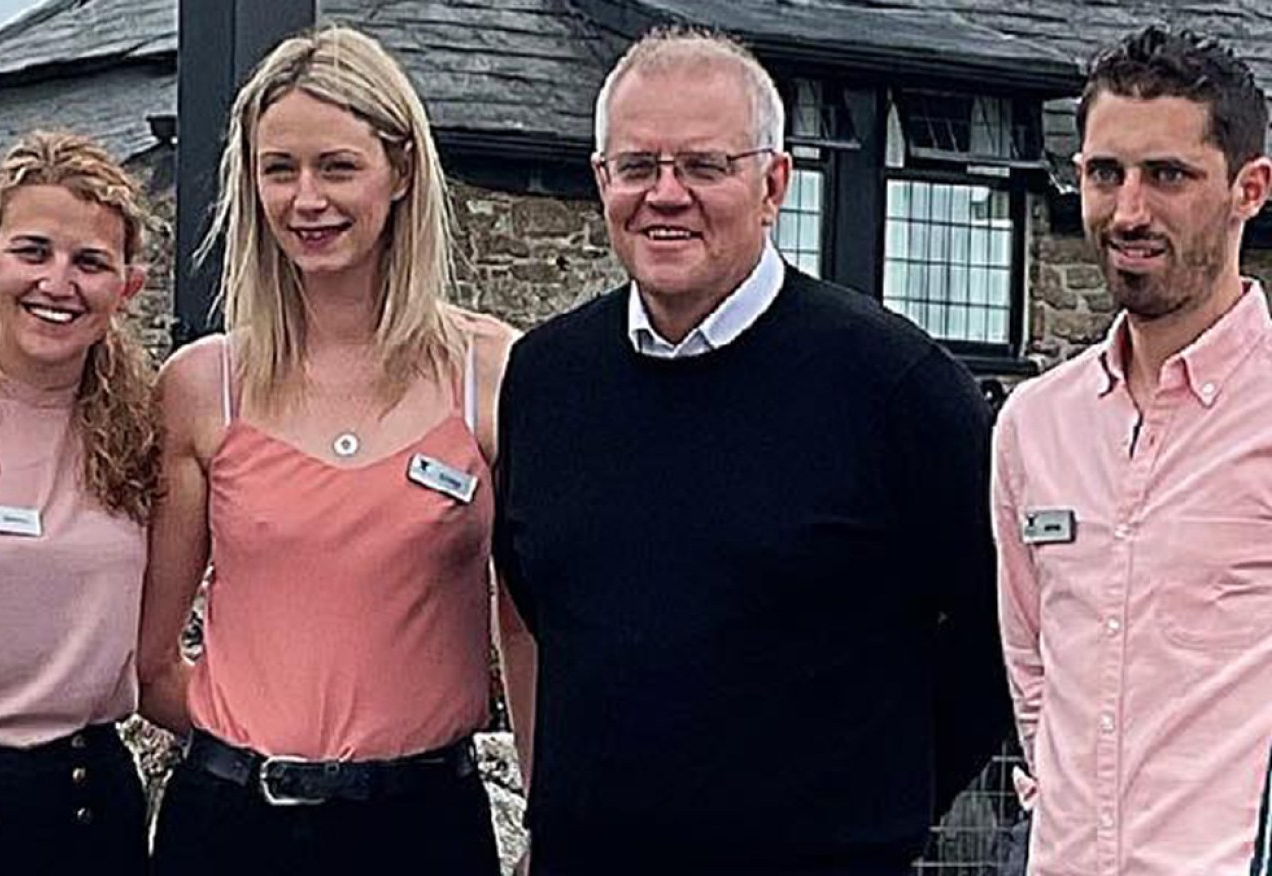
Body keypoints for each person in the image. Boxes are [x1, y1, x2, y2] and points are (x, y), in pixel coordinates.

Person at [494, 26, 1009, 875]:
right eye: (637, 167)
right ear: (600, 182)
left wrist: (880, 809)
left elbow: (998, 628)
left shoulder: (894, 384)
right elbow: (537, 604)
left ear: (773, 184)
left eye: (703, 166)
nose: (666, 194)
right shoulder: (546, 377)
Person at [139, 26, 514, 875]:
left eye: (337, 167)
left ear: (402, 170)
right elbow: (152, 658)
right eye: (280, 169)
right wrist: (262, 742)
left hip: (425, 830)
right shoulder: (204, 386)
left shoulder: (489, 375)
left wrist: (553, 802)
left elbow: (523, 625)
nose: (307, 199)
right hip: (231, 828)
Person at [992, 25, 1272, 876]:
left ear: (1248, 189)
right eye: (1103, 173)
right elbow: (1033, 673)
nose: (1129, 212)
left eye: (1168, 176)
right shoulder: (1034, 425)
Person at [0, 131, 159, 874]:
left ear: (127, 287)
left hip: (90, 808)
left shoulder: (149, 430)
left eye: (90, 262)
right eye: (33, 252)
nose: (58, 282)